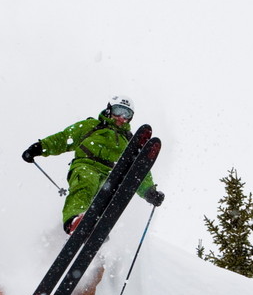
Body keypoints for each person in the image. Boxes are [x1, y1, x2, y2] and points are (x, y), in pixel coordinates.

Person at [22, 95, 165, 233]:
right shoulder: (92, 126)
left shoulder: (129, 141)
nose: (121, 117)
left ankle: (96, 232)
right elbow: (64, 138)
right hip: (86, 165)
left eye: (126, 114)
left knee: (107, 198)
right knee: (87, 182)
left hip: (111, 175)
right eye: (118, 111)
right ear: (109, 110)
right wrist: (39, 147)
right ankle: (75, 221)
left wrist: (149, 192)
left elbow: (139, 171)